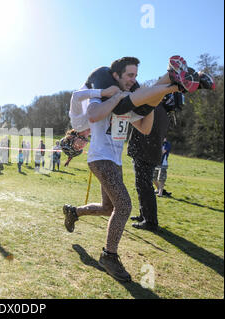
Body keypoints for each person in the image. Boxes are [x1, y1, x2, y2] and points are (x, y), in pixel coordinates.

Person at [62, 56, 189, 282]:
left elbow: (145, 128)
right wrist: (116, 96)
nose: (133, 80)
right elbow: (93, 115)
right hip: (100, 159)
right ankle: (109, 256)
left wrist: (150, 103)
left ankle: (74, 212)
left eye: (136, 76)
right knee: (124, 205)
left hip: (115, 162)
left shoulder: (127, 101)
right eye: (129, 75)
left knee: (107, 207)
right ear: (116, 76)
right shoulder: (104, 95)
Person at [127, 93, 181, 231]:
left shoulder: (154, 107)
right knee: (143, 186)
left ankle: (150, 221)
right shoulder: (163, 112)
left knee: (144, 187)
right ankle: (144, 215)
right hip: (149, 153)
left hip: (145, 152)